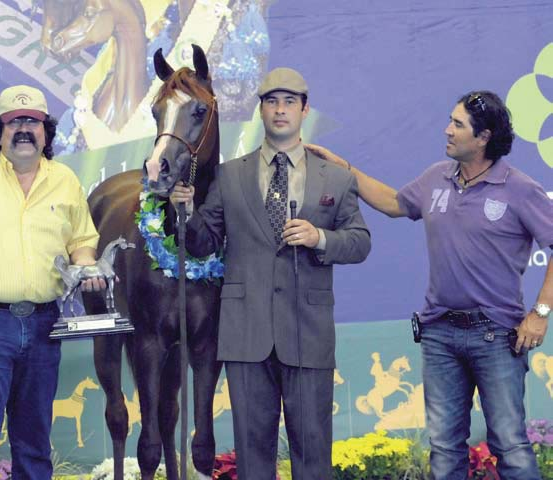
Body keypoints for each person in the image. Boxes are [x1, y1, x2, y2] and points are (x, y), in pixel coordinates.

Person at [309, 90, 552, 479]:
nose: (447, 130)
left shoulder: (519, 188)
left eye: (458, 124)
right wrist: (345, 169)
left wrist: (539, 314)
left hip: (497, 336)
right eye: (450, 120)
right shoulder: (435, 177)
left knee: (509, 443)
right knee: (443, 447)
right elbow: (392, 202)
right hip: (439, 333)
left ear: (484, 137)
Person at [167, 68, 371, 479]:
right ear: (260, 109)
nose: (280, 110)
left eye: (290, 102)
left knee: (313, 452)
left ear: (304, 109)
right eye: (272, 102)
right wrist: (184, 212)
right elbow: (203, 242)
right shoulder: (230, 175)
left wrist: (319, 238)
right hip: (245, 334)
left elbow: (360, 242)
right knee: (253, 453)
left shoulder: (336, 176)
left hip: (307, 332)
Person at [0, 85, 105, 480]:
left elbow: (82, 241)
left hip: (45, 325)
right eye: (14, 122)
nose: (24, 130)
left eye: (32, 121)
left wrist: (87, 268)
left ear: (46, 130)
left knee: (34, 444)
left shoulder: (65, 180)